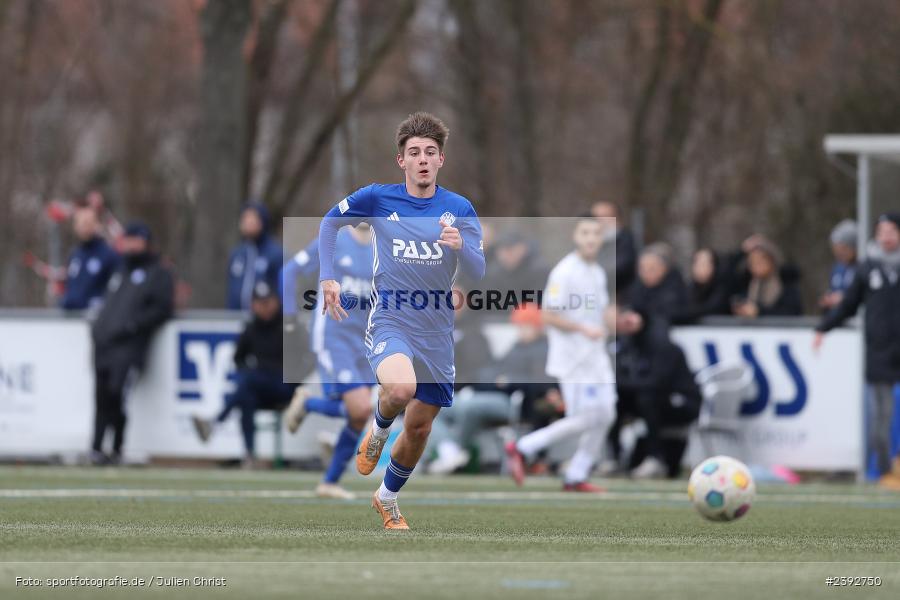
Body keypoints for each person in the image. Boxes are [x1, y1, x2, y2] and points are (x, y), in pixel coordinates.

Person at [317, 112, 485, 529]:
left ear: (441, 161)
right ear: (401, 161)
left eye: (430, 152)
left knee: (420, 428)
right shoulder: (378, 198)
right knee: (400, 387)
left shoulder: (459, 208)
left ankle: (387, 497)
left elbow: (480, 272)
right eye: (415, 153)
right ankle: (376, 430)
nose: (423, 159)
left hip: (437, 331)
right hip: (392, 318)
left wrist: (462, 246)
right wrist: (327, 276)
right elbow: (329, 222)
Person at [505, 216, 616, 493]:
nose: (591, 238)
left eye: (595, 233)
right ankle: (522, 447)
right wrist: (582, 329)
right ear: (575, 237)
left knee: (608, 414)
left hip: (596, 358)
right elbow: (548, 315)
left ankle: (576, 473)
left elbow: (599, 316)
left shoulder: (598, 273)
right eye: (585, 232)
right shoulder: (564, 272)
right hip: (573, 361)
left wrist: (615, 322)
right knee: (588, 417)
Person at [280, 224, 375, 499]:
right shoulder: (334, 240)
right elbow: (289, 272)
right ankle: (308, 404)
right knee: (359, 409)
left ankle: (329, 482)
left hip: (365, 342)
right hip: (334, 336)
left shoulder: (383, 246)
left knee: (359, 414)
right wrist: (289, 318)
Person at [815, 213, 900, 486]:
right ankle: (886, 472)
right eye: (881, 231)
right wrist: (823, 327)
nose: (886, 236)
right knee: (881, 417)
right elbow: (848, 304)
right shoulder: (867, 268)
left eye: (892, 231)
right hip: (879, 354)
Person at [90, 223, 173, 464]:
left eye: (136, 240)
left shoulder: (158, 272)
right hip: (104, 344)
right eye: (128, 239)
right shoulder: (120, 270)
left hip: (129, 346)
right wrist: (99, 329)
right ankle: (96, 448)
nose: (131, 245)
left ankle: (116, 447)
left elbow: (161, 308)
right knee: (101, 396)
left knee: (117, 394)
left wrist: (132, 326)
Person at [192, 281, 296, 468]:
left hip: (283, 386)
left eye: (268, 302)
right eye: (259, 302)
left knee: (248, 381)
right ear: (253, 305)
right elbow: (238, 358)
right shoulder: (251, 328)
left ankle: (215, 422)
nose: (264, 307)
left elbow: (304, 359)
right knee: (245, 395)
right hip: (258, 386)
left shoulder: (287, 326)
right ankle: (249, 455)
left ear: (276, 302)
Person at [613, 307, 702, 478]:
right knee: (614, 401)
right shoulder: (627, 346)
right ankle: (615, 458)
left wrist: (630, 385)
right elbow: (620, 378)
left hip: (681, 401)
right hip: (648, 398)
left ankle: (655, 458)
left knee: (647, 399)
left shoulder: (664, 347)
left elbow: (658, 382)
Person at [226, 202, 284, 311]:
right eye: (245, 219)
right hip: (236, 318)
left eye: (252, 219)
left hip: (265, 322)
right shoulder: (237, 254)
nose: (248, 223)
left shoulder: (275, 253)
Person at [61, 204, 120, 310]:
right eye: (81, 223)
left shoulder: (109, 255)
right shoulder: (75, 255)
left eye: (88, 222)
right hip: (71, 318)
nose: (84, 227)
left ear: (97, 224)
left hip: (95, 319)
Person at [731, 236, 802, 317]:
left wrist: (759, 312)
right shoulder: (746, 283)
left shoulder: (786, 282)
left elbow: (791, 314)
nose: (756, 265)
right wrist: (741, 252)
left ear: (772, 260)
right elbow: (726, 275)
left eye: (761, 260)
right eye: (752, 262)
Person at [627, 242, 689, 325]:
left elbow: (668, 312)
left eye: (651, 268)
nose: (645, 273)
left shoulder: (675, 288)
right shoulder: (637, 286)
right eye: (642, 268)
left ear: (664, 269)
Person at [672, 247, 731, 324]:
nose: (700, 268)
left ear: (714, 266)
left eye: (704, 264)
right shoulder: (687, 289)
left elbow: (710, 309)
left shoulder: (722, 289)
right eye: (697, 263)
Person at [591, 200, 638, 296]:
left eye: (605, 216)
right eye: (595, 217)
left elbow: (620, 269)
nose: (600, 221)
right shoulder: (589, 242)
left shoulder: (626, 241)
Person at [819, 219, 858, 312]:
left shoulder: (864, 269)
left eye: (843, 249)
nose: (839, 253)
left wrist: (844, 298)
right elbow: (833, 289)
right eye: (836, 249)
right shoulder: (838, 268)